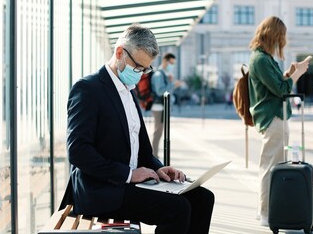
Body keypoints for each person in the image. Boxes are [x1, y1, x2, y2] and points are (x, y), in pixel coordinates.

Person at [63, 24, 214, 234]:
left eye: (145, 69)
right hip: (102, 189)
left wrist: (159, 168)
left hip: (128, 184)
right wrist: (128, 174)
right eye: (138, 67)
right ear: (119, 53)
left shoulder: (129, 92)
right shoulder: (88, 89)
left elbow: (141, 148)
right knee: (177, 209)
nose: (141, 74)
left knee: (203, 198)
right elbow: (78, 152)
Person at [247, 16, 310, 226]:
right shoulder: (261, 59)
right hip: (273, 118)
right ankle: (266, 213)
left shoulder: (264, 58)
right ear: (273, 35)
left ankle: (263, 211)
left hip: (275, 117)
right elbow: (281, 89)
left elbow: (276, 83)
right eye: (280, 37)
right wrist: (297, 75)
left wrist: (289, 73)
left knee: (271, 165)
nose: (281, 41)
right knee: (271, 167)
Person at [150, 53, 183, 158]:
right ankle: (154, 155)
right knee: (158, 131)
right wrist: (173, 84)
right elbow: (160, 91)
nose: (172, 65)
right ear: (165, 61)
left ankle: (155, 154)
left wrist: (170, 82)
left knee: (160, 131)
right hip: (158, 107)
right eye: (171, 63)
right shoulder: (159, 74)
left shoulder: (164, 74)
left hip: (163, 106)